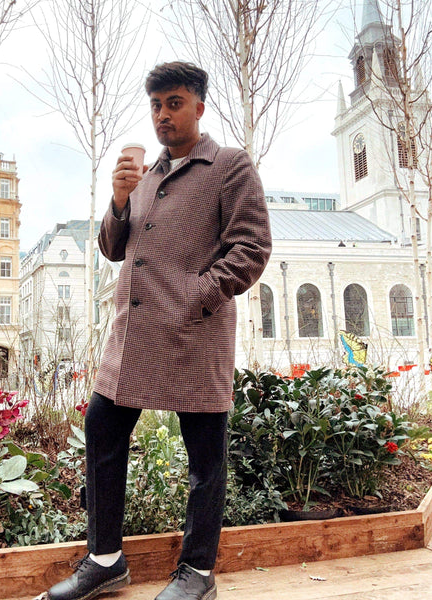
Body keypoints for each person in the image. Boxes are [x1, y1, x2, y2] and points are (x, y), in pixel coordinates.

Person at [36, 61, 272, 600]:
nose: (163, 115)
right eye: (156, 106)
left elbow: (252, 248)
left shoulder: (229, 165)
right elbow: (113, 248)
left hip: (194, 336)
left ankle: (197, 572)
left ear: (199, 107)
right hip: (131, 338)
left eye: (174, 103)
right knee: (102, 429)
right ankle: (105, 559)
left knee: (205, 455)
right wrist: (119, 200)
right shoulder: (145, 176)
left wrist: (195, 295)